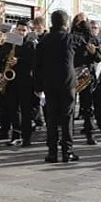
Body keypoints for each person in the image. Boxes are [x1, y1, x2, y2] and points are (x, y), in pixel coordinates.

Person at [34, 10, 87, 163]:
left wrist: (38, 86)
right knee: (67, 117)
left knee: (51, 118)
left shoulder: (44, 40)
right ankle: (67, 151)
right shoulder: (70, 38)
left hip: (49, 83)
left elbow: (37, 65)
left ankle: (52, 152)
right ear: (66, 23)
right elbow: (88, 39)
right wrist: (83, 23)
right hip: (67, 83)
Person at [71, 12, 101, 145]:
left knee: (88, 107)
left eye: (84, 21)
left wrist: (93, 52)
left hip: (87, 74)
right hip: (73, 73)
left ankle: (90, 134)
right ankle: (69, 133)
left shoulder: (92, 38)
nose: (82, 24)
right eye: (79, 21)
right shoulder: (71, 36)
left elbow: (99, 57)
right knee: (70, 106)